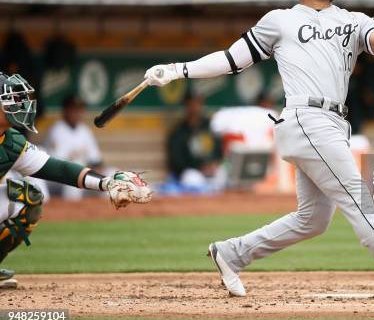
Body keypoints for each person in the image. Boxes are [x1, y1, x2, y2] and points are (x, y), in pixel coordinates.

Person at [144, 0, 374, 299]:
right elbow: (232, 59)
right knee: (360, 203)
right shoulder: (280, 20)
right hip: (307, 118)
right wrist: (177, 70)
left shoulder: (353, 20)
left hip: (333, 122)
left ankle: (231, 253)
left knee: (313, 220)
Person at [0, 72, 152, 289]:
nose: (19, 104)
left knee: (28, 199)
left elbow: (59, 169)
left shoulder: (11, 143)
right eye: (10, 100)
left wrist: (106, 182)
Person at [45, 95, 103, 200]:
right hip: (58, 180)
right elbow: (60, 166)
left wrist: (98, 176)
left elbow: (96, 161)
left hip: (82, 176)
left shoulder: (85, 130)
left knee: (109, 177)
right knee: (74, 179)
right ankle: (71, 214)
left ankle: (108, 213)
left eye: (80, 110)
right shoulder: (57, 130)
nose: (77, 113)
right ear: (65, 110)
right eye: (74, 109)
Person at [166, 94, 223, 191]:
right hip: (192, 172)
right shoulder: (179, 131)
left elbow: (218, 150)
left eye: (198, 103)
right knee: (192, 179)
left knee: (222, 174)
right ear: (186, 106)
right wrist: (199, 168)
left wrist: (214, 164)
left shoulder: (209, 126)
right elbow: (176, 161)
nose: (195, 107)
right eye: (191, 104)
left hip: (211, 169)